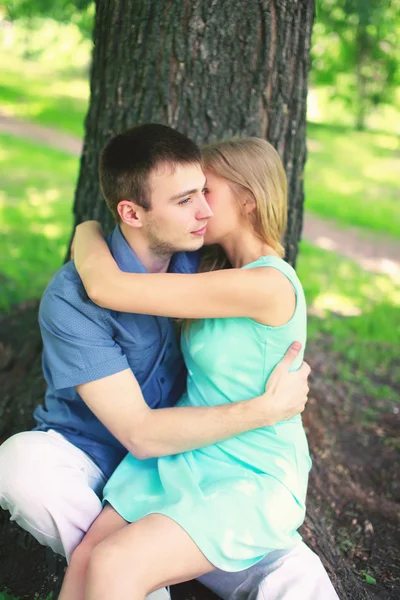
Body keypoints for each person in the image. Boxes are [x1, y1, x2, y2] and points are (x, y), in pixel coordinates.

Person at [0, 124, 336, 600]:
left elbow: (115, 288)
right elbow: (106, 290)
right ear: (132, 212)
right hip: (167, 455)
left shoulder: (236, 273)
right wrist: (88, 230)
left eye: (206, 192)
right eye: (187, 198)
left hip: (241, 463)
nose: (200, 211)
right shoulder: (204, 267)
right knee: (88, 558)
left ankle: (149, 573)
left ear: (248, 200)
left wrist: (88, 231)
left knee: (117, 564)